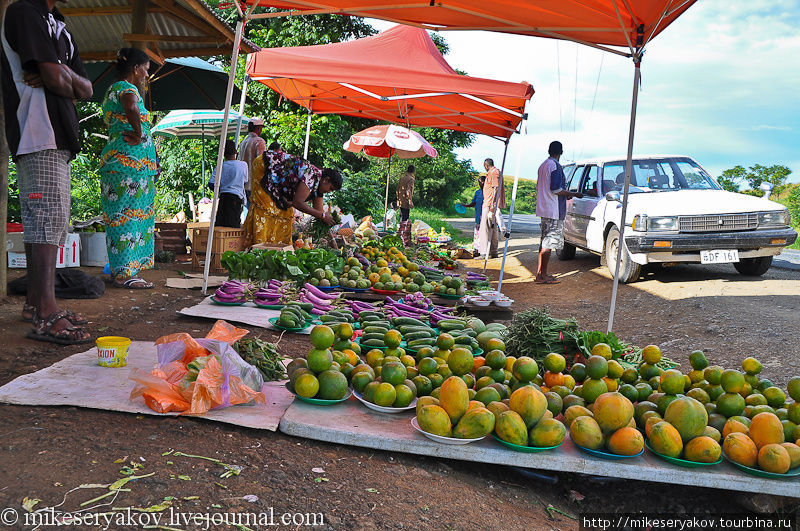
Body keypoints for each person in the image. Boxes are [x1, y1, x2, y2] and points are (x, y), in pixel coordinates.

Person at [2, 0, 93, 344]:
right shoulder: (24, 12)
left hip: (59, 133)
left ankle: (34, 303)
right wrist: (62, 77)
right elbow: (62, 81)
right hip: (36, 129)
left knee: (50, 218)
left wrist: (61, 76)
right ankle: (45, 312)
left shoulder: (60, 26)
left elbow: (87, 89)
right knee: (45, 216)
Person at [98, 48, 160, 290]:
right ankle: (126, 274)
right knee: (127, 217)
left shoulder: (113, 89)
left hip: (125, 163)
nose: (146, 74)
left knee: (123, 216)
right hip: (128, 165)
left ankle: (124, 271)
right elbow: (132, 106)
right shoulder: (127, 88)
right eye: (145, 69)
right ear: (135, 68)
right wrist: (138, 132)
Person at [244, 147, 342, 245]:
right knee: (266, 210)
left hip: (278, 183)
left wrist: (333, 243)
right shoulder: (311, 175)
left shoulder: (319, 188)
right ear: (326, 180)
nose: (329, 192)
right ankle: (257, 247)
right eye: (331, 188)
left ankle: (276, 249)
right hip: (265, 167)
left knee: (285, 215)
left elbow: (320, 215)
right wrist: (323, 216)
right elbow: (298, 203)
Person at [535, 141, 583, 284]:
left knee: (543, 243)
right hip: (553, 209)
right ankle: (542, 276)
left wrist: (565, 194)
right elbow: (556, 190)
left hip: (545, 208)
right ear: (561, 152)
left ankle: (541, 273)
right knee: (548, 244)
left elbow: (545, 188)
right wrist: (572, 193)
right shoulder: (555, 166)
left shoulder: (543, 165)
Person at [209, 140, 248, 228]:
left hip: (223, 197)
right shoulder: (243, 165)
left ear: (223, 153)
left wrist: (222, 187)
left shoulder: (221, 166)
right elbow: (245, 181)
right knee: (233, 224)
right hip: (236, 197)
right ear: (235, 151)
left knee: (221, 224)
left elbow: (211, 184)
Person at [237, 118, 267, 205]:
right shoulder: (259, 141)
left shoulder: (243, 142)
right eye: (261, 128)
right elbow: (262, 162)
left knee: (247, 209)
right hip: (254, 183)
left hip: (244, 183)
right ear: (258, 128)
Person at [477, 158, 501, 258]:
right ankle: (493, 252)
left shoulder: (494, 173)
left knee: (484, 228)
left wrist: (492, 205)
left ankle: (484, 252)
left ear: (486, 165)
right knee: (492, 227)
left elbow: (495, 188)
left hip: (489, 204)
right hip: (490, 203)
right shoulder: (493, 172)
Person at [461, 175, 485, 258]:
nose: (480, 184)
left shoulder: (488, 192)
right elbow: (473, 203)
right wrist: (465, 205)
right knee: (477, 233)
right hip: (478, 216)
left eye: (482, 182)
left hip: (485, 216)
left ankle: (484, 251)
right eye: (479, 182)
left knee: (484, 234)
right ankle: (477, 250)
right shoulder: (478, 192)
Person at [396, 164, 415, 245]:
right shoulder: (411, 179)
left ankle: (399, 236)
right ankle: (403, 239)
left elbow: (397, 189)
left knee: (401, 219)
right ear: (413, 171)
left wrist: (398, 199)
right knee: (405, 221)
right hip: (405, 202)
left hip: (400, 201)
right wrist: (410, 201)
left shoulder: (402, 178)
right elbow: (408, 190)